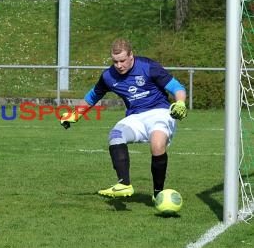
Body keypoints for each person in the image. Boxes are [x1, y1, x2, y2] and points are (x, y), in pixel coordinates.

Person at [61, 38, 188, 201]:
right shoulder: (108, 76)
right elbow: (93, 95)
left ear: (131, 55)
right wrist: (75, 115)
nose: (119, 65)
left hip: (159, 112)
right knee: (116, 135)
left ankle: (158, 194)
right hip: (134, 116)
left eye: (122, 61)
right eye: (115, 61)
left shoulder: (148, 66)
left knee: (157, 145)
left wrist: (180, 103)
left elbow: (177, 87)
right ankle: (124, 184)